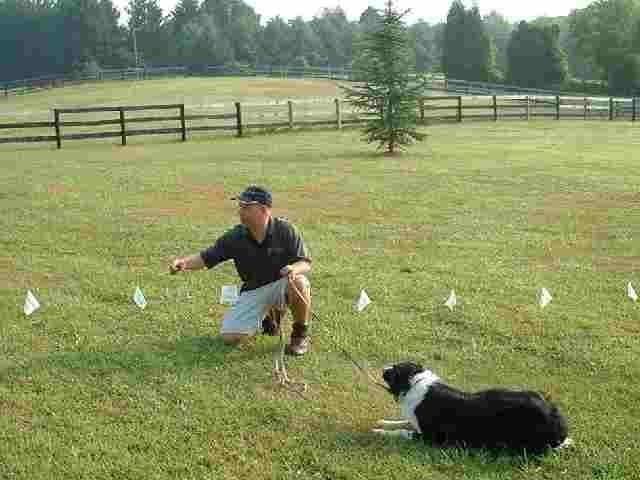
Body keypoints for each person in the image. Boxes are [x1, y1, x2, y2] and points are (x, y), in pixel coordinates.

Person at [170, 185, 312, 356]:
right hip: (253, 290)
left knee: (300, 283)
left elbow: (305, 263)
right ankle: (270, 318)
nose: (240, 212)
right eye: (240, 207)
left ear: (264, 209)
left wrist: (294, 268)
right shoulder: (235, 236)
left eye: (246, 207)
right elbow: (206, 258)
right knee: (229, 337)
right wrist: (182, 263)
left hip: (282, 285)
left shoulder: (286, 229)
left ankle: (299, 336)